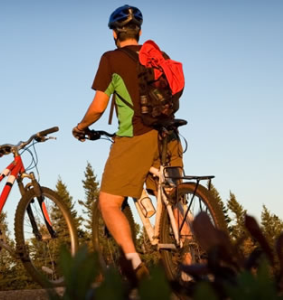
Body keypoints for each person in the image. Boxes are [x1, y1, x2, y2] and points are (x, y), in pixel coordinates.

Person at [72, 5, 184, 279]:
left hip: (136, 135)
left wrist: (81, 126)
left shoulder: (111, 59)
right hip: (169, 135)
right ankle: (192, 267)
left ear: (114, 34)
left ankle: (134, 264)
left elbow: (99, 107)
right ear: (140, 32)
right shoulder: (159, 57)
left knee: (109, 202)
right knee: (174, 198)